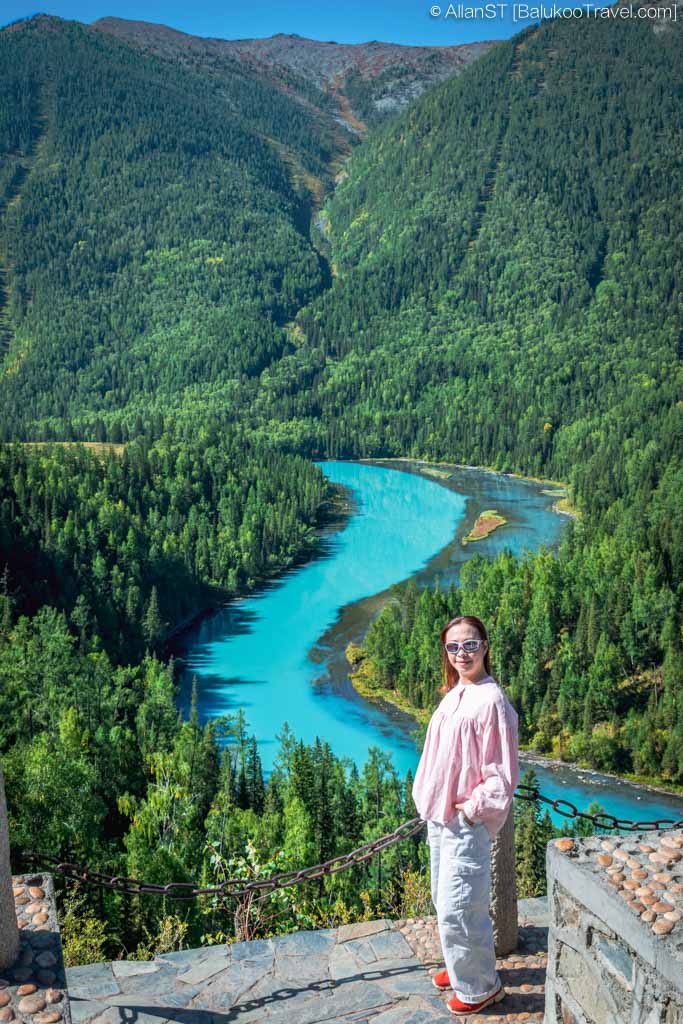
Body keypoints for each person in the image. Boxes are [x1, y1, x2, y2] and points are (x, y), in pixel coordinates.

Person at [411, 614, 520, 1016]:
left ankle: (480, 988)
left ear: (485, 646)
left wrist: (475, 810)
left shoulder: (491, 699)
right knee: (446, 900)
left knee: (462, 904)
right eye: (453, 646)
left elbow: (502, 772)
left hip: (462, 820)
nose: (462, 653)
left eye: (470, 644)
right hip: (441, 817)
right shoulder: (457, 691)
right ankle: (461, 969)